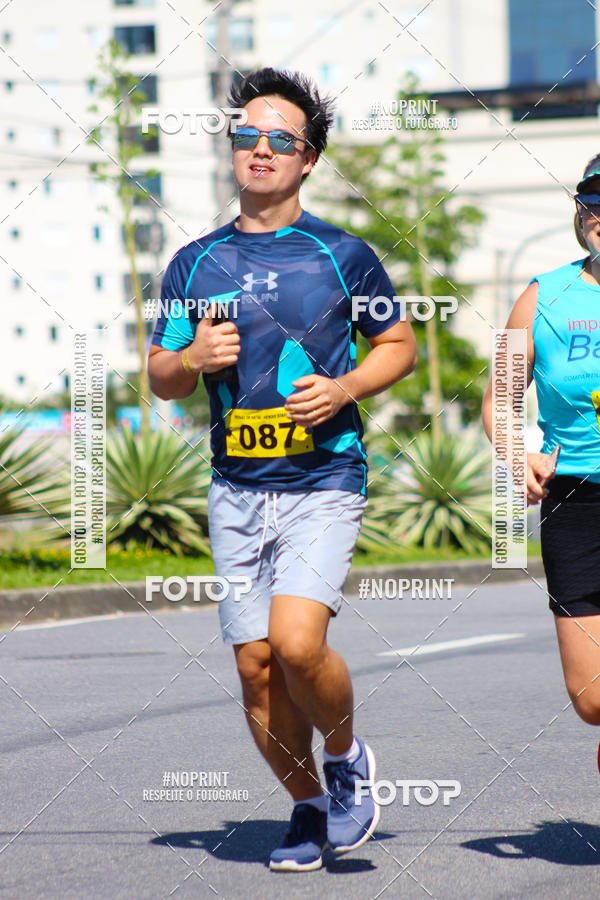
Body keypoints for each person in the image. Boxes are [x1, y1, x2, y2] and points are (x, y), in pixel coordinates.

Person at [148, 67, 417, 872]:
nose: (260, 150)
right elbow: (159, 373)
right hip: (235, 490)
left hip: (324, 481)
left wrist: (341, 388)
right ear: (232, 150)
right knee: (255, 667)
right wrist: (190, 358)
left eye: (281, 140)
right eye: (246, 136)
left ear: (307, 160)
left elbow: (398, 347)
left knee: (297, 645)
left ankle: (344, 759)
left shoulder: (343, 254)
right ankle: (304, 809)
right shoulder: (193, 264)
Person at [482, 153, 600, 733]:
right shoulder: (541, 296)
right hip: (577, 502)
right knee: (592, 699)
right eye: (592, 201)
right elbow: (499, 399)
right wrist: (517, 452)